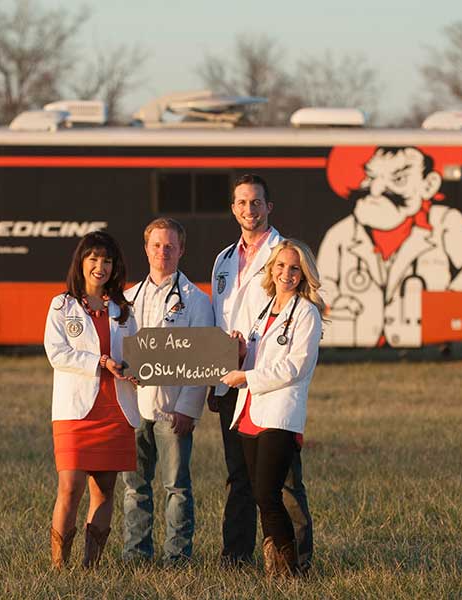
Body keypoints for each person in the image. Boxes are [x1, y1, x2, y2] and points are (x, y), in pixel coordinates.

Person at [209, 174, 313, 570]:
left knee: (282, 480)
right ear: (233, 208)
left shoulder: (283, 254)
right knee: (239, 475)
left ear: (269, 207)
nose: (248, 210)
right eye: (241, 203)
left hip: (268, 384)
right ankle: (235, 556)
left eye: (256, 203)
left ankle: (296, 558)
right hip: (229, 377)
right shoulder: (223, 260)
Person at [219, 239, 325, 579]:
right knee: (260, 493)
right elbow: (256, 358)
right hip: (250, 412)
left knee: (268, 493)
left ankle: (291, 570)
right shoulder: (264, 310)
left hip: (279, 414)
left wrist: (245, 374)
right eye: (281, 266)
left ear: (303, 273)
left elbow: (294, 367)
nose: (286, 273)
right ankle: (274, 569)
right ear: (272, 270)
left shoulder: (306, 313)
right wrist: (239, 355)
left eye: (294, 268)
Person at [317, 145, 462, 347]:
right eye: (371, 178)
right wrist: (336, 302)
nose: (377, 190)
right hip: (355, 330)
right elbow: (322, 281)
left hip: (420, 332)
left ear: (428, 184)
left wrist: (443, 307)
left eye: (398, 179)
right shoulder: (340, 234)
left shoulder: (445, 223)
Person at [44, 230, 140, 569]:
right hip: (76, 411)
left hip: (116, 409)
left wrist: (137, 370)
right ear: (81, 262)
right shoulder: (62, 305)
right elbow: (57, 353)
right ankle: (59, 566)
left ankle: (91, 567)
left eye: (108, 260)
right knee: (70, 488)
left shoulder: (124, 310)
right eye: (94, 259)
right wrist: (99, 362)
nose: (100, 266)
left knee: (105, 489)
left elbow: (136, 354)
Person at [120, 218, 213, 564]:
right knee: (135, 486)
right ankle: (136, 553)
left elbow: (202, 359)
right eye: (157, 245)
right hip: (134, 408)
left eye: (170, 246)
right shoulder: (127, 299)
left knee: (177, 487)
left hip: (174, 407)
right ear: (146, 248)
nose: (163, 252)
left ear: (182, 250)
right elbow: (121, 351)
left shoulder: (196, 301)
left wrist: (189, 408)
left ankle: (177, 557)